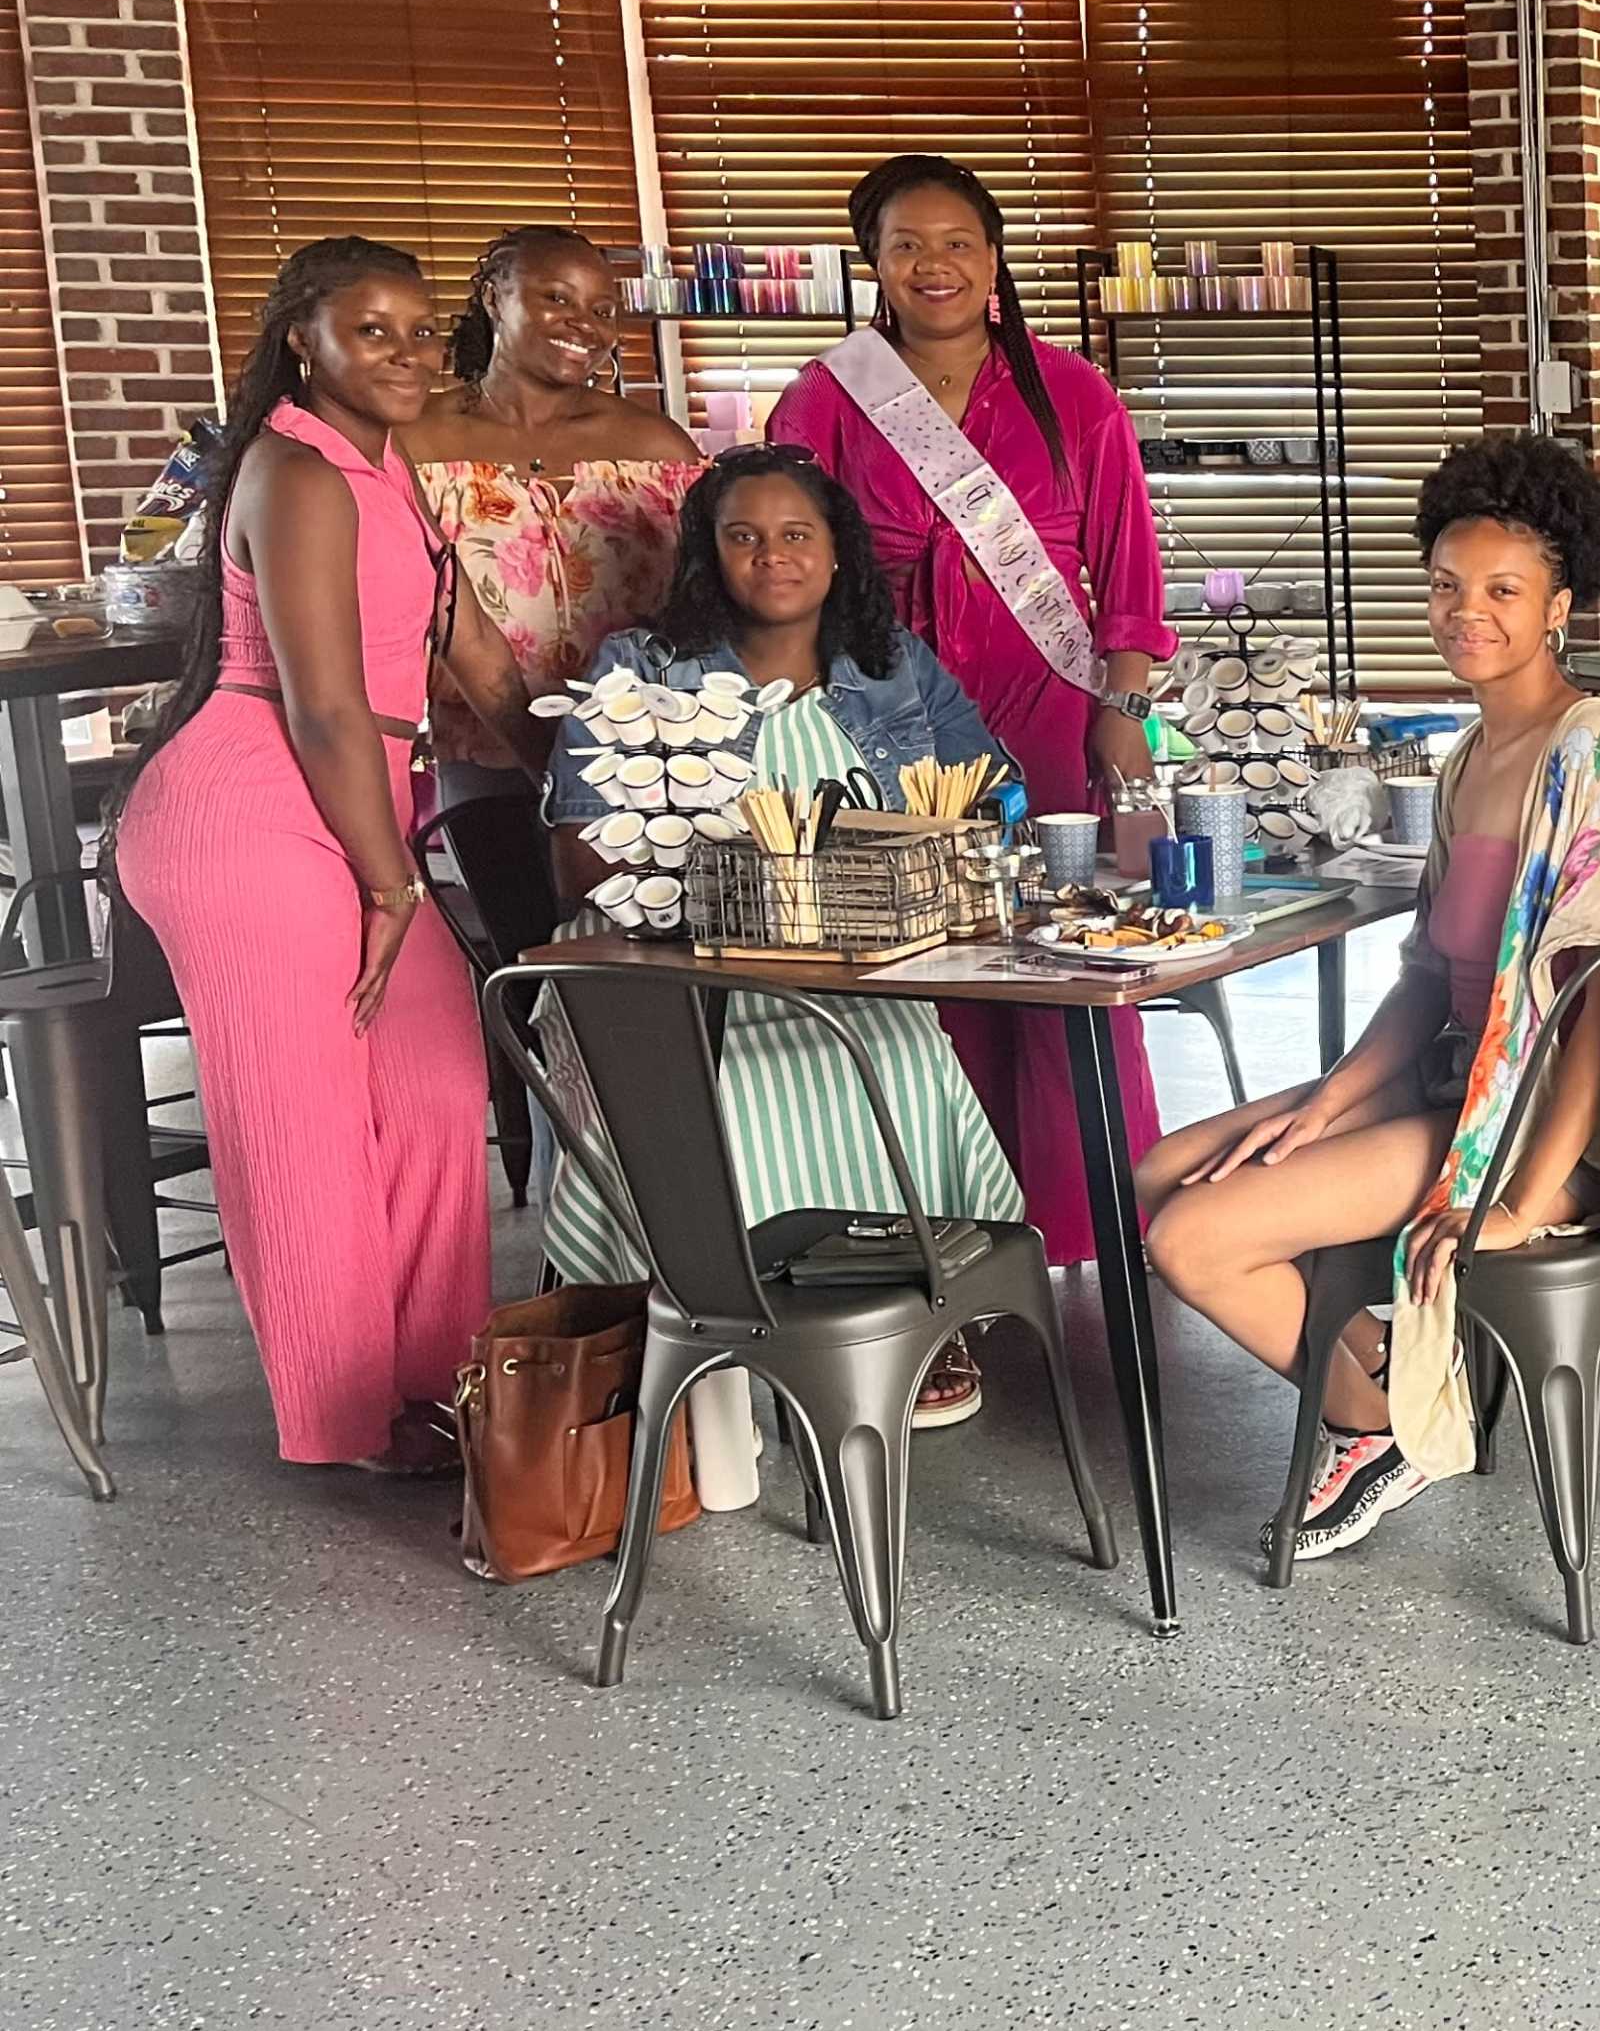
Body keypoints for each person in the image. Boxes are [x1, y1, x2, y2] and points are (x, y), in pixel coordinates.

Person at [1139, 436, 1600, 1563]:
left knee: (1193, 1239)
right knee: (1152, 1175)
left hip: (1535, 1123)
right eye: (1445, 586)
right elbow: (1430, 973)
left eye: (1501, 591)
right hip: (1453, 1078)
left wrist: (1526, 1198)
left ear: (1560, 606)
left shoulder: (1596, 758)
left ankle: (1374, 1423)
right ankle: (1377, 1373)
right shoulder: (1474, 750)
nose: (1464, 611)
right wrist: (1329, 1103)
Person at [116, 238, 546, 1470]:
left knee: (428, 1085)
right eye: (375, 331)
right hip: (254, 811)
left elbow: (469, 653)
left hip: (354, 807)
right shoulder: (295, 472)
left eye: (422, 331)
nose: (409, 353)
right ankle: (348, 1420)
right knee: (299, 1119)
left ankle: (433, 1382)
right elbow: (323, 705)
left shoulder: (386, 468)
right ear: (304, 338)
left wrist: (586, 789)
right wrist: (388, 879)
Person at [537, 448, 1022, 1426]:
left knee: (903, 1057)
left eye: (797, 534)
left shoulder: (893, 669)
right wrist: (735, 893)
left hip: (856, 969)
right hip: (675, 971)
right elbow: (579, 851)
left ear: (837, 552)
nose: (773, 557)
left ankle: (902, 1311)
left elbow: (994, 797)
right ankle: (733, 1315)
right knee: (733, 1088)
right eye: (743, 537)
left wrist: (921, 861)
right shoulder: (643, 670)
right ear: (708, 558)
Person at [766, 155, 1174, 1265]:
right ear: (874, 266)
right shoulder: (824, 398)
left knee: (1061, 954)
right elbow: (787, 565)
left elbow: (1127, 578)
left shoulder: (1073, 393)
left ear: (993, 259)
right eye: (906, 246)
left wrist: (1122, 711)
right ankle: (935, 1229)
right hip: (890, 718)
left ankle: (1081, 1222)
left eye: (956, 243)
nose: (932, 266)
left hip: (1049, 713)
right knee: (921, 970)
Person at [404, 225, 704, 965]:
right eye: (556, 298)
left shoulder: (659, 447)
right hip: (488, 762)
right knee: (531, 965)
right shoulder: (413, 440)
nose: (586, 325)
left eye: (602, 310)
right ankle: (529, 1088)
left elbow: (704, 608)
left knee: (652, 980)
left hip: (646, 773)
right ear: (492, 298)